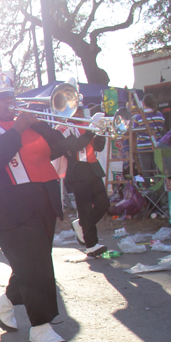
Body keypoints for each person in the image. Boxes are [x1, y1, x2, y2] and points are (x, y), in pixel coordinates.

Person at [0, 36, 85, 342]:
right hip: (8, 210)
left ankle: (4, 302)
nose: (9, 101)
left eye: (11, 95)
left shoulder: (31, 125)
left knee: (32, 264)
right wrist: (17, 129)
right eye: (1, 98)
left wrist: (88, 127)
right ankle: (40, 328)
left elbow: (63, 148)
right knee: (38, 266)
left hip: (43, 202)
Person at [56, 105, 110, 257]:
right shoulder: (63, 127)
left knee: (104, 204)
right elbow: (75, 145)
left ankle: (80, 225)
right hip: (78, 171)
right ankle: (91, 245)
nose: (79, 111)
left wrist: (100, 131)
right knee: (85, 209)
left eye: (80, 108)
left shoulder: (87, 125)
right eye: (75, 108)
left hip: (93, 169)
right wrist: (92, 128)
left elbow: (98, 147)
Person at [131, 94, 165, 176]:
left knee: (145, 170)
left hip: (143, 146)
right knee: (158, 169)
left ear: (143, 103)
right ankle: (159, 186)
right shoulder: (160, 115)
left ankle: (147, 186)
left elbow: (134, 131)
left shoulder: (139, 117)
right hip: (157, 144)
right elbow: (161, 128)